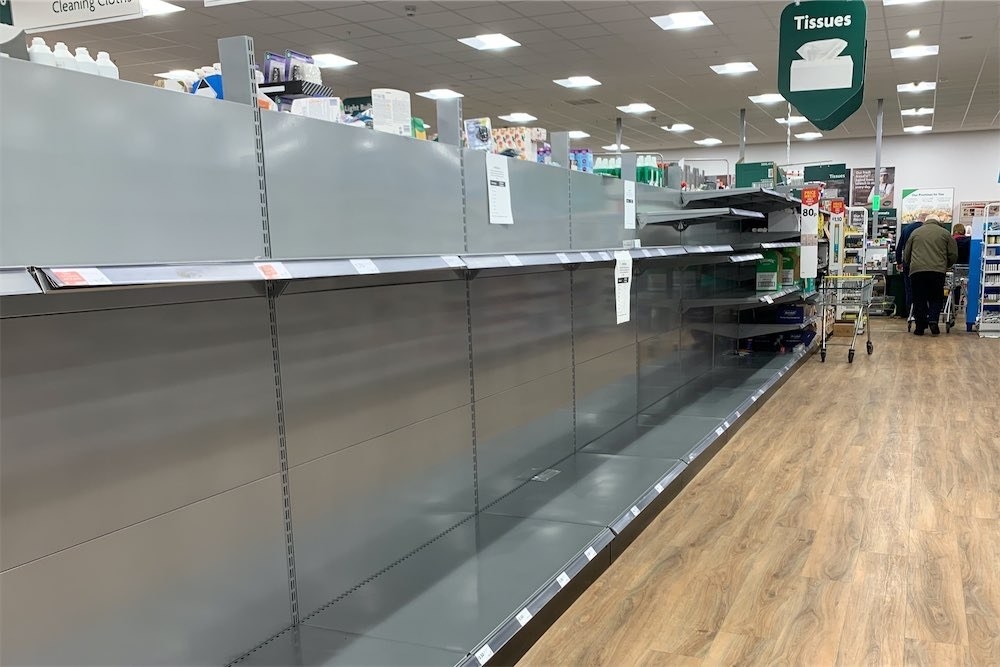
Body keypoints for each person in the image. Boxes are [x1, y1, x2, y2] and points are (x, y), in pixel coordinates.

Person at [904, 218, 958, 336]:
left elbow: (907, 253)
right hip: (937, 271)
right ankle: (933, 320)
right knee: (936, 297)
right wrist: (946, 265)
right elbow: (953, 254)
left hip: (917, 271)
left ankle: (919, 327)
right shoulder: (945, 233)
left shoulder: (915, 232)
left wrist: (910, 264)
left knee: (919, 298)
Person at [895, 218, 923, 318]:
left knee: (909, 289)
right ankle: (922, 313)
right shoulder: (925, 229)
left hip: (908, 264)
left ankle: (910, 313)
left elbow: (899, 247)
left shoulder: (906, 229)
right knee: (922, 290)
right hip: (923, 264)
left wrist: (899, 262)